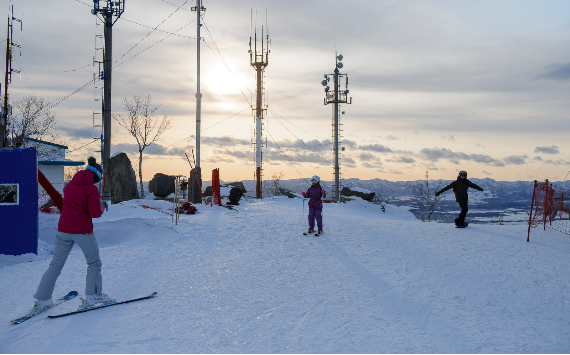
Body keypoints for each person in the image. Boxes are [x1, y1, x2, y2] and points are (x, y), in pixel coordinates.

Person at [28, 157, 111, 314]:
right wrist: (102, 207)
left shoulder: (69, 186)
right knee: (94, 263)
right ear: (96, 176)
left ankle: (42, 299)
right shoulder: (91, 189)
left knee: (55, 264)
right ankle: (93, 296)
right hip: (82, 231)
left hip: (63, 230)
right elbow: (94, 213)